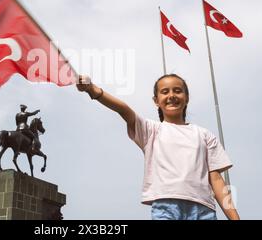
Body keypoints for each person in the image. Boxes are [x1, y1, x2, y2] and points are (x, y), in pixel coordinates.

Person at [76, 74, 240, 220]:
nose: (171, 96)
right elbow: (124, 110)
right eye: (165, 92)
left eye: (177, 91)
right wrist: (94, 91)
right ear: (156, 100)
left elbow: (217, 180)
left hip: (203, 209)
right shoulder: (151, 130)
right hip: (167, 207)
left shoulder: (204, 135)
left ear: (187, 97)